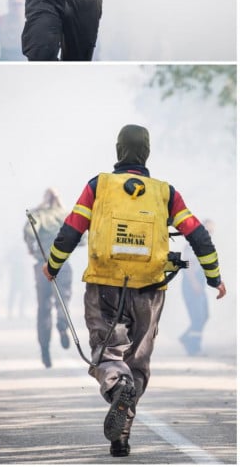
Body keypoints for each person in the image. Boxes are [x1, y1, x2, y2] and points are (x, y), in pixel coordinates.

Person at [42, 125, 225, 457]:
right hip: (150, 291)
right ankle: (121, 437)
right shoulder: (165, 192)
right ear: (147, 153)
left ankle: (117, 387)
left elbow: (70, 230)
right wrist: (214, 277)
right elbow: (198, 235)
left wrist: (52, 266)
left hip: (104, 286)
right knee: (137, 363)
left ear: (117, 151)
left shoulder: (98, 186)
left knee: (107, 355)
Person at [25, 188, 73, 368]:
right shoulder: (65, 215)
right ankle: (62, 324)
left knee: (43, 308)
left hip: (42, 266)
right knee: (63, 300)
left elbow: (30, 233)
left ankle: (44, 348)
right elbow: (82, 238)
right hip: (62, 265)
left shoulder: (37, 214)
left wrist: (32, 247)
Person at [179, 218, 216, 356]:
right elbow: (187, 266)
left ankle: (185, 338)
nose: (210, 233)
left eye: (211, 231)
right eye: (208, 230)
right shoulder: (192, 244)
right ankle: (194, 348)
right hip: (191, 284)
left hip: (198, 284)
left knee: (204, 315)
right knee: (198, 317)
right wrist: (194, 284)